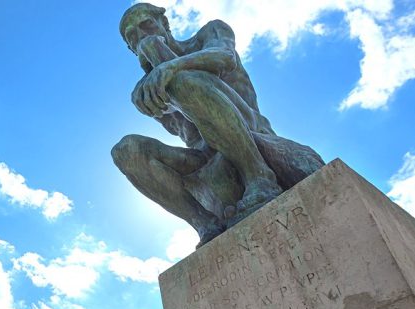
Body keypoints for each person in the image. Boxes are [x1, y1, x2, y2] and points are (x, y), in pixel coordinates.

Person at [112, 3, 322, 245]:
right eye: (134, 38)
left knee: (182, 82)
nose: (142, 36)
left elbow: (224, 58)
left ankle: (258, 176)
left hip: (250, 133)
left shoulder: (209, 33)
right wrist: (157, 61)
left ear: (164, 23)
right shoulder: (146, 89)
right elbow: (176, 106)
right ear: (132, 49)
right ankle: (205, 223)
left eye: (146, 25)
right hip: (205, 158)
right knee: (126, 150)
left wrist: (167, 63)